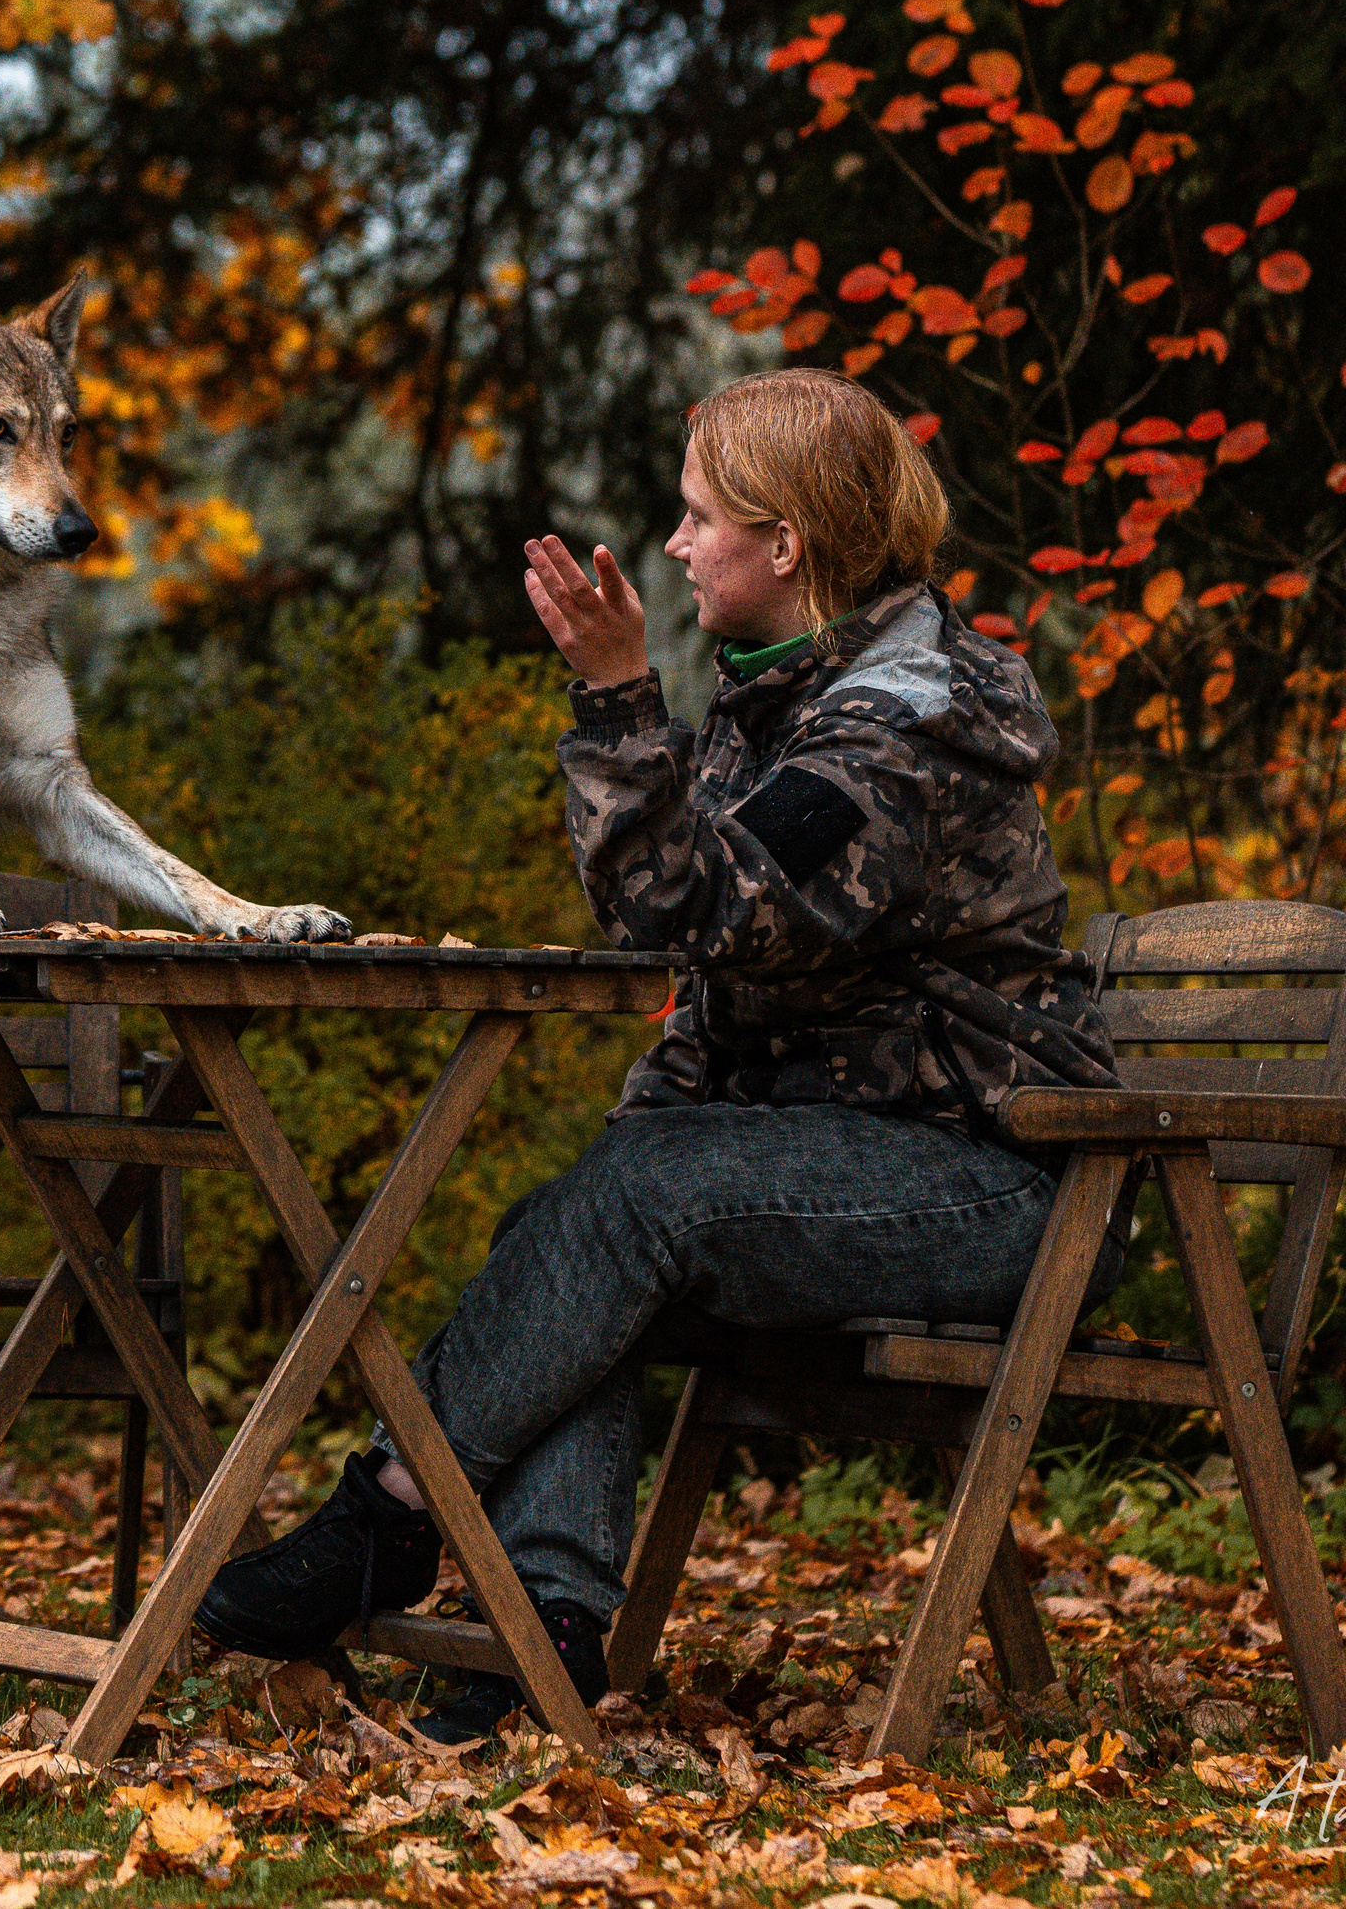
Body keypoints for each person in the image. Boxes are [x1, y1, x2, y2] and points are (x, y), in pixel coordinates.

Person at [193, 366, 1122, 1743]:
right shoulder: (796, 700)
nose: (678, 545)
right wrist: (638, 1138)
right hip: (871, 1160)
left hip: (1001, 1188)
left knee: (627, 1210)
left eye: (701, 520)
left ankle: (385, 1517)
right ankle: (545, 1626)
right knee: (583, 1223)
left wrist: (624, 695)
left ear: (788, 545)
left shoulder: (903, 722)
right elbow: (713, 987)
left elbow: (711, 912)